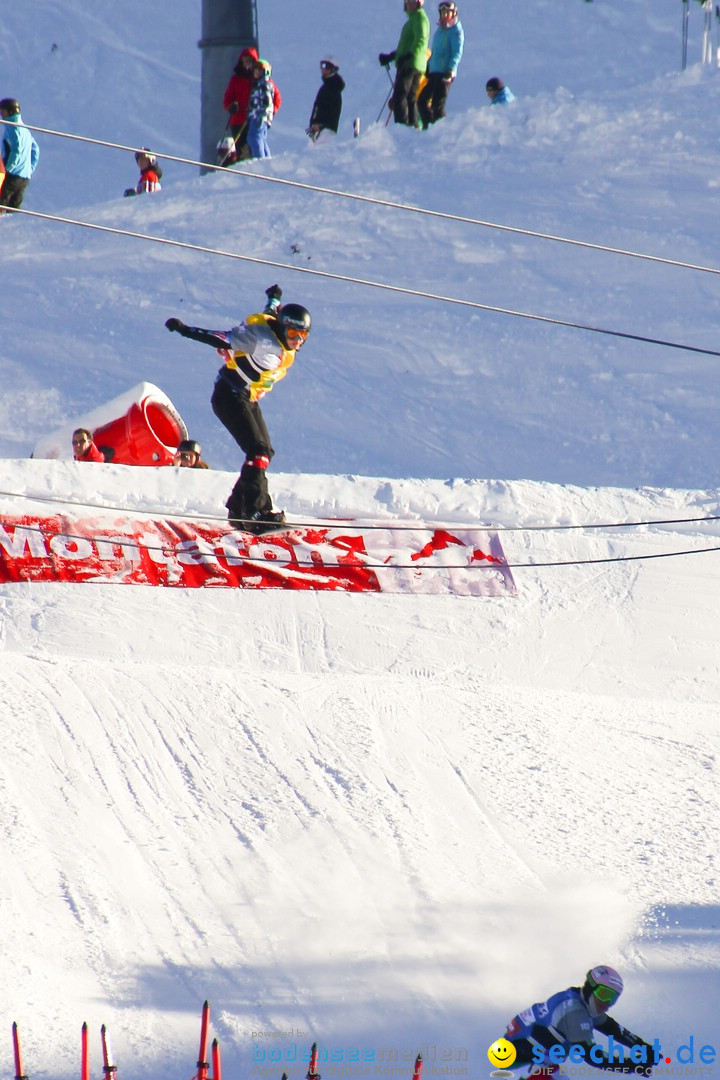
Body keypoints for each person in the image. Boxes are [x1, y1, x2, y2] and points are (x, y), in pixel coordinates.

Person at [164, 284, 312, 534]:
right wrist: (185, 330)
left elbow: (272, 312)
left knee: (265, 451)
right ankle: (255, 512)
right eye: (293, 335)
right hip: (229, 396)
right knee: (258, 451)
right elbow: (220, 338)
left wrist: (274, 298)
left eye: (302, 337)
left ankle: (238, 509)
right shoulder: (263, 340)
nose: (296, 342)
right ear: (282, 329)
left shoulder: (277, 330)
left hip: (245, 396)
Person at [499, 966, 655, 1079]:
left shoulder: (582, 1001)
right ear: (590, 987)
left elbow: (611, 1028)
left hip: (534, 1063)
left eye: (612, 998)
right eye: (603, 994)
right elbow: (594, 1056)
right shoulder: (574, 1013)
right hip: (521, 1065)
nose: (606, 1002)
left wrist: (642, 1046)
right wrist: (632, 1065)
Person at [379, 0, 431, 128]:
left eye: (412, 1)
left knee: (400, 94)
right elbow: (406, 46)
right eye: (407, 1)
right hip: (412, 63)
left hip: (411, 64)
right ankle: (412, 125)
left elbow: (421, 40)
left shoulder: (420, 19)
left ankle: (402, 125)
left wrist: (409, 55)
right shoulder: (413, 20)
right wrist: (391, 56)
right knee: (410, 96)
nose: (408, 3)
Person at [418, 2, 464, 130]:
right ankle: (429, 128)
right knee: (422, 101)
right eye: (443, 13)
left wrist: (451, 70)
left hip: (445, 74)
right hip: (434, 72)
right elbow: (436, 51)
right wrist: (428, 66)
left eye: (447, 13)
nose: (445, 16)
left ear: (453, 13)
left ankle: (441, 131)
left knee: (437, 105)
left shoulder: (456, 31)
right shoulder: (441, 29)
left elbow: (456, 53)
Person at [0, 98, 39, 212]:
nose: (1, 114)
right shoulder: (24, 129)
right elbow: (35, 150)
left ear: (11, 111)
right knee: (14, 208)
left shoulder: (13, 129)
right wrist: (29, 168)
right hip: (24, 177)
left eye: (3, 111)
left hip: (12, 175)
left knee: (2, 202)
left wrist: (8, 169)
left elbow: (15, 150)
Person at [222, 47, 260, 162]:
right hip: (238, 120)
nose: (246, 64)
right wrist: (231, 106)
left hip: (254, 119)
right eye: (244, 61)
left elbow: (275, 98)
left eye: (249, 60)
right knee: (241, 149)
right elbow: (227, 99)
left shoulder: (260, 79)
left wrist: (268, 111)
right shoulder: (236, 79)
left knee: (254, 145)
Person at [307, 56, 345, 142]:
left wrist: (321, 126)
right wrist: (313, 124)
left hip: (326, 130)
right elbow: (317, 107)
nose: (323, 70)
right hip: (317, 130)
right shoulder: (326, 87)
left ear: (333, 69)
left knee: (319, 152)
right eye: (322, 66)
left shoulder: (334, 87)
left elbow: (332, 111)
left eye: (327, 67)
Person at [246, 59, 275, 159]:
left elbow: (266, 101)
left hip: (260, 116)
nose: (256, 74)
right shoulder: (257, 85)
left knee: (253, 137)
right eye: (255, 72)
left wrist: (258, 109)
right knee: (261, 138)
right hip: (257, 115)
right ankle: (266, 159)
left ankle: (260, 159)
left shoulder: (264, 85)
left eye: (259, 72)